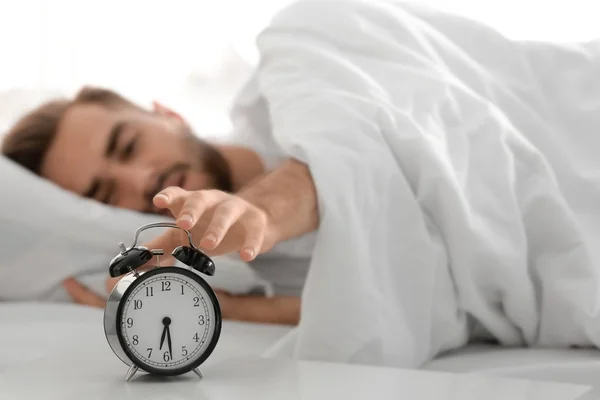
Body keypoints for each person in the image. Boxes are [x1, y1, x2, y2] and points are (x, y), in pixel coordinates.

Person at [1, 85, 318, 326]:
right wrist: (234, 311)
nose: (141, 181)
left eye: (129, 146)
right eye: (107, 196)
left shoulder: (284, 93)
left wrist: (268, 210)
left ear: (168, 114)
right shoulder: (249, 279)